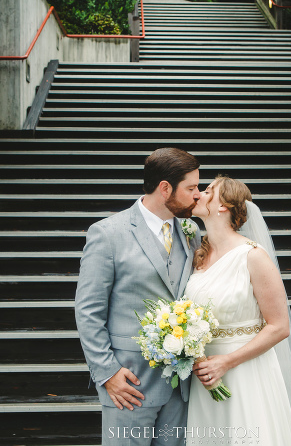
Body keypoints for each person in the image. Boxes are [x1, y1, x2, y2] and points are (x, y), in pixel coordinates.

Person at [75, 148, 202, 446]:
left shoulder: (191, 231)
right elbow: (88, 310)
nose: (198, 195)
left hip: (181, 386)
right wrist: (107, 373)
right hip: (129, 384)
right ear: (165, 188)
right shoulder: (108, 234)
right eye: (192, 188)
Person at [186, 175, 291, 445]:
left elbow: (279, 327)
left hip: (244, 373)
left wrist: (227, 361)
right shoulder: (197, 254)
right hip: (204, 374)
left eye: (208, 190)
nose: (198, 194)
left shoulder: (253, 255)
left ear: (223, 206)